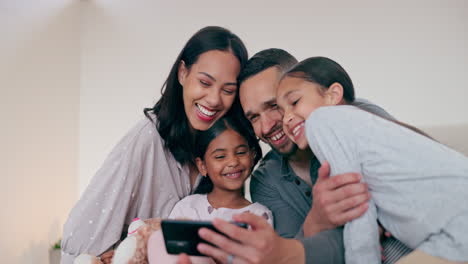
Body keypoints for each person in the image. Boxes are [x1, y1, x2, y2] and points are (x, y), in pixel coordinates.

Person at [177, 49, 411, 264]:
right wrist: (318, 218)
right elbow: (290, 255)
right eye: (254, 117)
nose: (267, 126)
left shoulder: (352, 115)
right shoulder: (267, 180)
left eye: (273, 105)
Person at [60, 26, 248, 264]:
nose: (213, 99)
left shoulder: (220, 153)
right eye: (204, 82)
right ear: (182, 73)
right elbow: (81, 238)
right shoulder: (146, 139)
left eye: (228, 90)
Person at [276, 56, 468, 263]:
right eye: (282, 111)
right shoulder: (365, 127)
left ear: (333, 95)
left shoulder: (321, 121)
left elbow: (357, 208)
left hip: (455, 227)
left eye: (294, 102)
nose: (286, 118)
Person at [147, 115, 273, 263]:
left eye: (240, 152)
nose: (233, 162)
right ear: (202, 166)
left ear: (252, 155)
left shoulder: (259, 216)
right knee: (157, 240)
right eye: (220, 156)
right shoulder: (188, 207)